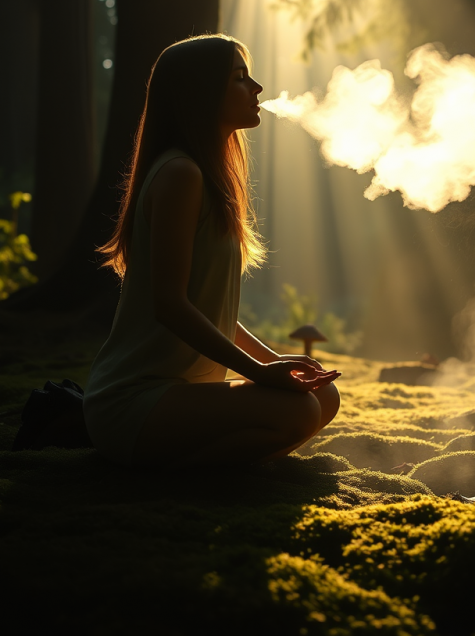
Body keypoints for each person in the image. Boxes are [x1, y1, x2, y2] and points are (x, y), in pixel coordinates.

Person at [84, 34, 341, 468]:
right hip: (135, 400)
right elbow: (170, 305)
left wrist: (273, 359)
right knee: (298, 411)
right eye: (241, 78)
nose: (257, 88)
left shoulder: (207, 177)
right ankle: (177, 481)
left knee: (323, 396)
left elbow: (206, 309)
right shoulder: (180, 174)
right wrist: (258, 374)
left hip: (184, 397)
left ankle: (212, 468)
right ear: (200, 93)